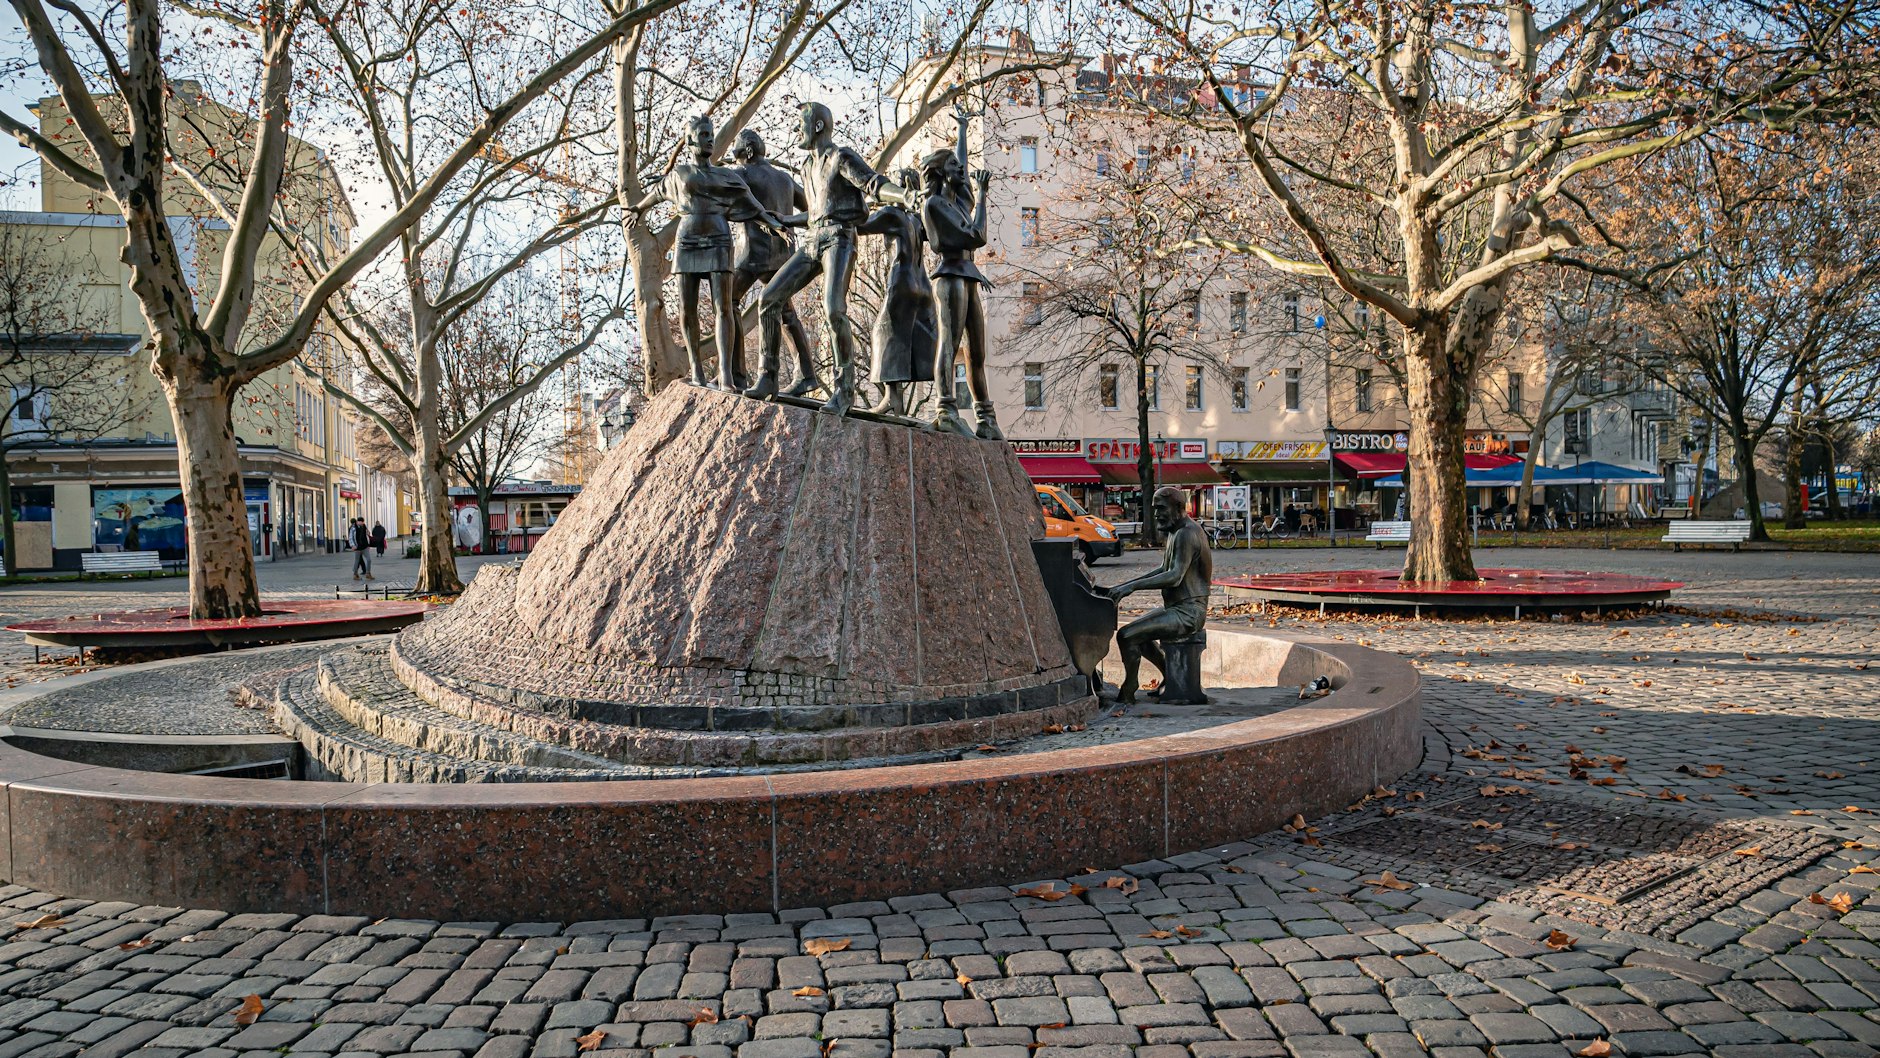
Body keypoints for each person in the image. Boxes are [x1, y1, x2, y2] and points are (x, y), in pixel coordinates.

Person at [747, 101, 916, 415]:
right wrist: (784, 220)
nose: (796, 130)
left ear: (818, 126)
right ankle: (768, 377)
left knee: (833, 308)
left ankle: (844, 389)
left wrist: (903, 195)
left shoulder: (842, 156)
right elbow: (815, 213)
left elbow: (873, 184)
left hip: (839, 238)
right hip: (812, 239)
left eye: (800, 123)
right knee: (769, 299)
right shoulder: (807, 167)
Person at [650, 115, 787, 389]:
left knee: (723, 306)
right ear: (689, 140)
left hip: (719, 240)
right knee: (686, 310)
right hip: (687, 242)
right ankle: (697, 371)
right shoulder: (679, 175)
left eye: (711, 134)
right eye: (703, 134)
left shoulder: (726, 175)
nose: (710, 138)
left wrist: (773, 223)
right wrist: (637, 209)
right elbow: (655, 193)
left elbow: (752, 205)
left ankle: (726, 373)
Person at [920, 105, 999, 438]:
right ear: (940, 172)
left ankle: (987, 419)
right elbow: (977, 236)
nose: (962, 169)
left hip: (968, 276)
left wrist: (964, 129)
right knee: (950, 345)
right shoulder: (935, 205)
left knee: (977, 352)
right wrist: (983, 196)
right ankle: (946, 408)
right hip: (951, 276)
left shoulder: (957, 199)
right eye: (952, 165)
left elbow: (962, 166)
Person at [730, 130, 822, 398]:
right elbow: (813, 209)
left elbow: (718, 189)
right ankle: (806, 373)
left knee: (728, 302)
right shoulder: (784, 179)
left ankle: (737, 374)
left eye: (736, 147)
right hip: (784, 253)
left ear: (747, 151)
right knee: (785, 312)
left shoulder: (742, 173)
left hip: (752, 254)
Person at [1105, 487, 1212, 703]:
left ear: (1179, 508)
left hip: (1189, 613)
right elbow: (1164, 568)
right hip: (1177, 608)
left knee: (1127, 635)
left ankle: (1130, 686)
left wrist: (1132, 588)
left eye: (1161, 509)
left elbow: (1174, 576)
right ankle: (1169, 677)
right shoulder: (1176, 532)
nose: (1156, 515)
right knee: (1137, 634)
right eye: (1154, 509)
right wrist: (1125, 585)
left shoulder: (1187, 534)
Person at [860, 168, 937, 416]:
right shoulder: (919, 220)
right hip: (923, 285)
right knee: (911, 335)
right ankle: (903, 402)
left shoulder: (893, 215)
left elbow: (860, 225)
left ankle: (891, 397)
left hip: (902, 281)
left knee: (885, 333)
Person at [349, 517, 373, 581]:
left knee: (369, 560)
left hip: (365, 547)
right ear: (357, 522)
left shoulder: (364, 527)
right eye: (360, 522)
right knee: (357, 561)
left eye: (362, 522)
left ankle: (368, 573)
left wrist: (368, 544)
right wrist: (353, 545)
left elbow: (367, 536)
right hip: (357, 547)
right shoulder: (353, 528)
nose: (361, 523)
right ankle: (355, 574)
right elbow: (351, 537)